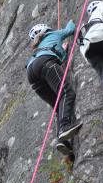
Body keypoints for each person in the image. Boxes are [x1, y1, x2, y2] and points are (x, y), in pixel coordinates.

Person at [26, 21, 82, 155]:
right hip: (46, 63)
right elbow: (70, 29)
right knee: (67, 93)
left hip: (32, 72)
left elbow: (58, 59)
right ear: (46, 30)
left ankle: (62, 141)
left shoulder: (37, 48)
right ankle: (64, 128)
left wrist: (63, 49)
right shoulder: (53, 34)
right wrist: (71, 22)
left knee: (58, 105)